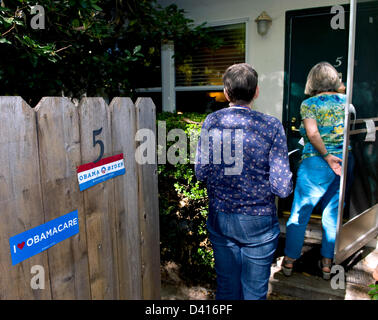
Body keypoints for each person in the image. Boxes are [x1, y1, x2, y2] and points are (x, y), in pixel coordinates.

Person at [195, 63, 293, 300]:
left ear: (226, 93)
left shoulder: (212, 122)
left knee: (227, 289)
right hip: (258, 221)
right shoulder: (271, 126)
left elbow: (201, 172)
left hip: (221, 217)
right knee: (254, 293)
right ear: (256, 91)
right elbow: (282, 188)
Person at [282, 62, 353, 280]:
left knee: (300, 213)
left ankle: (289, 261)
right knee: (332, 215)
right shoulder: (347, 102)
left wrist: (326, 157)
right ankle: (326, 263)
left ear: (312, 80)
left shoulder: (309, 104)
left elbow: (312, 134)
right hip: (344, 161)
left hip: (316, 162)